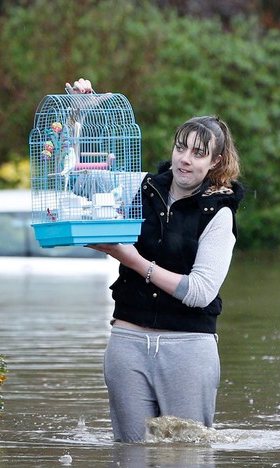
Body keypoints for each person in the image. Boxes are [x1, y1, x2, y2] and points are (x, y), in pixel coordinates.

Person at [67, 78, 245, 442]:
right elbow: (75, 181)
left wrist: (132, 260)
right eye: (181, 148)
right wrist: (77, 120)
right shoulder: (139, 186)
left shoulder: (219, 214)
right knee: (128, 466)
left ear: (215, 162)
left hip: (188, 349)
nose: (185, 159)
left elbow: (200, 292)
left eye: (198, 153)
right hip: (127, 343)